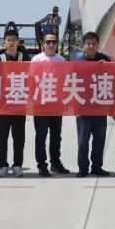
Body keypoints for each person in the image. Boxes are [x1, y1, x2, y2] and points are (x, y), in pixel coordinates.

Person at [31, 32, 70, 177]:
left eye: (54, 41)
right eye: (48, 42)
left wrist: (64, 100)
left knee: (56, 135)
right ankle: (42, 164)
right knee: (41, 136)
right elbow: (31, 81)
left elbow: (64, 81)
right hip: (40, 104)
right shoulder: (37, 59)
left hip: (56, 103)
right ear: (43, 44)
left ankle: (55, 162)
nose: (51, 44)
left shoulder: (60, 60)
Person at [76, 31, 111, 178]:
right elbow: (71, 84)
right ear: (83, 45)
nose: (91, 46)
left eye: (94, 43)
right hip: (83, 108)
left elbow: (112, 81)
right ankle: (83, 168)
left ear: (98, 45)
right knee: (83, 141)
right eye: (88, 43)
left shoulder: (105, 59)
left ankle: (97, 167)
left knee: (99, 140)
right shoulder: (77, 61)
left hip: (100, 107)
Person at [0, 29, 29, 177]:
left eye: (14, 40)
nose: (11, 42)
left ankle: (17, 165)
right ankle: (2, 165)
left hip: (19, 104)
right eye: (8, 40)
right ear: (4, 42)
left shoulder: (25, 58)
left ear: (18, 41)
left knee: (19, 137)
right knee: (3, 137)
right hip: (3, 106)